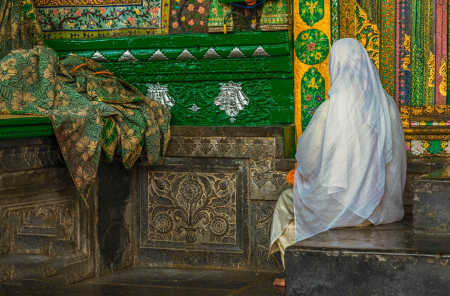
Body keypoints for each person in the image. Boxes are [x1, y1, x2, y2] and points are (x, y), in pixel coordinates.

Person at [270, 38, 406, 287]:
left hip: (347, 208)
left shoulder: (331, 109)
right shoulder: (387, 105)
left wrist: (302, 174)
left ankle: (296, 274)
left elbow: (308, 160)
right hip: (380, 209)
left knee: (286, 202)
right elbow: (396, 162)